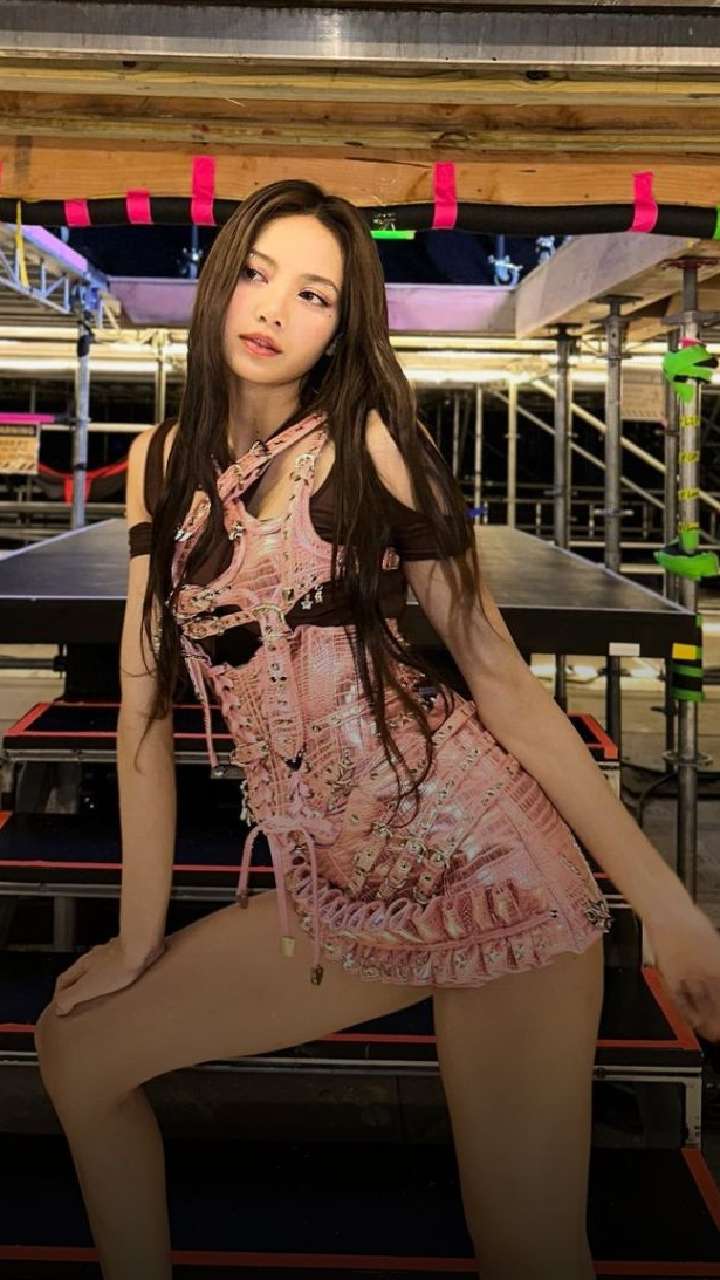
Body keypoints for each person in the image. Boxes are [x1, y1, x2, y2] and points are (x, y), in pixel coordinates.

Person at [34, 179, 720, 1280]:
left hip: (496, 875)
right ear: (220, 283)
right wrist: (135, 936)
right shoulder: (162, 464)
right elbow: (143, 706)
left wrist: (672, 911)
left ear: (342, 325)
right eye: (257, 273)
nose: (274, 308)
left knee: (529, 1250)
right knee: (78, 1052)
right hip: (341, 895)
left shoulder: (371, 448)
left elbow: (499, 679)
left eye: (315, 294)